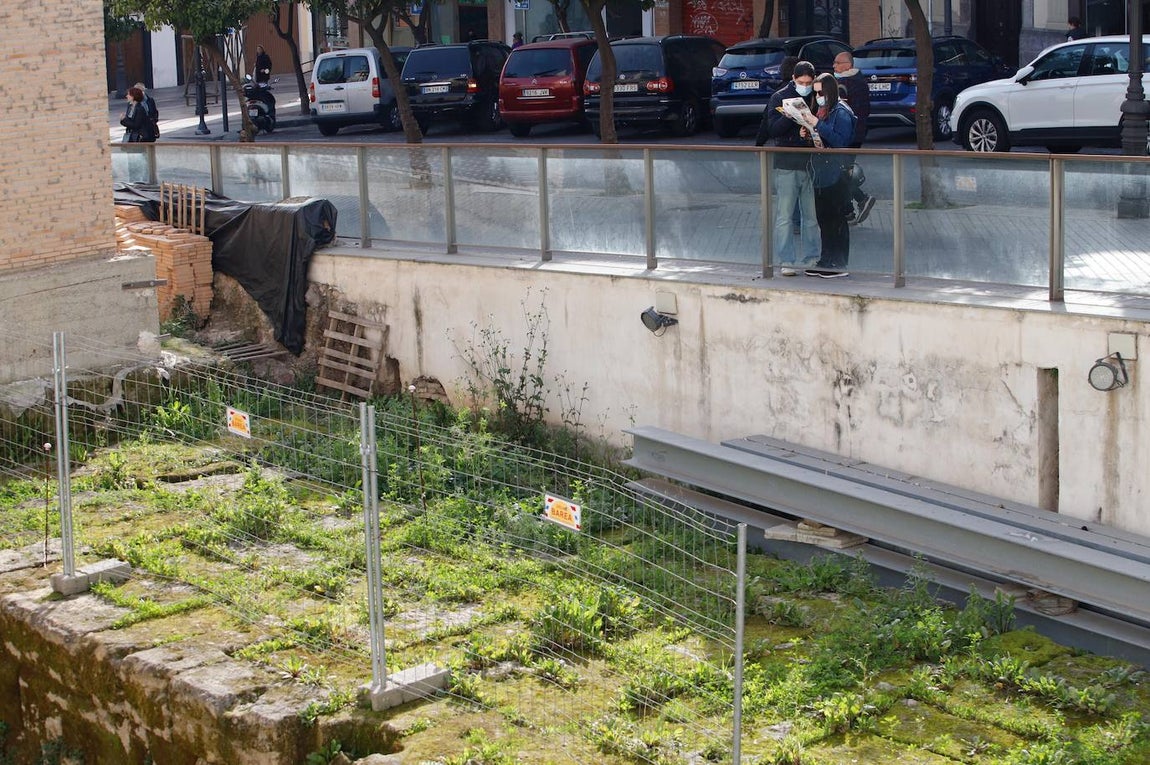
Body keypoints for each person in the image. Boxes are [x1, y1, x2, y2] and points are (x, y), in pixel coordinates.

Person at [754, 60, 820, 276]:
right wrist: (791, 118)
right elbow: (772, 129)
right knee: (785, 216)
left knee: (811, 217)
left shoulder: (815, 95)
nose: (805, 86)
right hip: (786, 163)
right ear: (793, 79)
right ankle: (787, 260)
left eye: (808, 82)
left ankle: (812, 258)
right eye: (801, 82)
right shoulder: (779, 97)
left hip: (809, 163)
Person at [802, 75, 857, 278]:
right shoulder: (824, 111)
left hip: (836, 172)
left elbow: (840, 141)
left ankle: (838, 262)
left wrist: (817, 124)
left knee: (835, 218)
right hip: (822, 171)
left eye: (820, 93)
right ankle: (827, 259)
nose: (817, 97)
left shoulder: (841, 112)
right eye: (815, 94)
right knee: (824, 217)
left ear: (830, 92)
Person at [833, 52, 874, 225]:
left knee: (841, 172)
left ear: (847, 65)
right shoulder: (853, 81)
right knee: (842, 171)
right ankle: (849, 209)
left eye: (837, 63)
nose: (834, 66)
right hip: (853, 134)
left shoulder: (850, 83)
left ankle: (859, 201)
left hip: (849, 135)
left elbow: (853, 112)